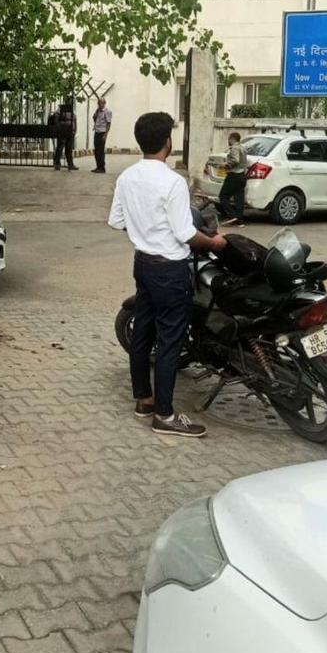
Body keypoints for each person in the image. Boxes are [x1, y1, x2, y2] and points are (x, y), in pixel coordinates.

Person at [108, 110, 227, 440]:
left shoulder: (127, 177)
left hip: (143, 264)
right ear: (167, 142)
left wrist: (144, 230)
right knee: (171, 340)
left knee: (143, 333)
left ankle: (144, 401)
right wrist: (214, 243)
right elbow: (186, 233)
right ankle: (164, 415)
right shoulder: (172, 181)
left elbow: (116, 221)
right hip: (171, 270)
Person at [218, 131, 248, 225]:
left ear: (232, 139)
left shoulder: (234, 148)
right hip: (242, 175)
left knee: (223, 196)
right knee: (239, 199)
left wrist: (226, 165)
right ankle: (240, 221)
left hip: (234, 175)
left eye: (229, 139)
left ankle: (232, 216)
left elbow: (236, 160)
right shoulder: (243, 148)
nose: (228, 141)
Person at [50, 99, 77, 171]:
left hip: (70, 131)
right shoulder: (60, 109)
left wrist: (74, 130)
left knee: (69, 148)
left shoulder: (72, 110)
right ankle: (57, 163)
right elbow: (56, 118)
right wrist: (59, 127)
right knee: (60, 147)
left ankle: (70, 164)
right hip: (62, 131)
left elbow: (74, 120)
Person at [92, 95, 112, 172]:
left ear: (104, 103)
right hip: (97, 131)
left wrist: (105, 135)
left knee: (101, 150)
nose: (99, 104)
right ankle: (98, 166)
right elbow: (94, 119)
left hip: (102, 132)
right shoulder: (98, 111)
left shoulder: (107, 112)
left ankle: (102, 168)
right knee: (96, 150)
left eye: (101, 103)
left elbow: (108, 124)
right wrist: (96, 113)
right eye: (98, 103)